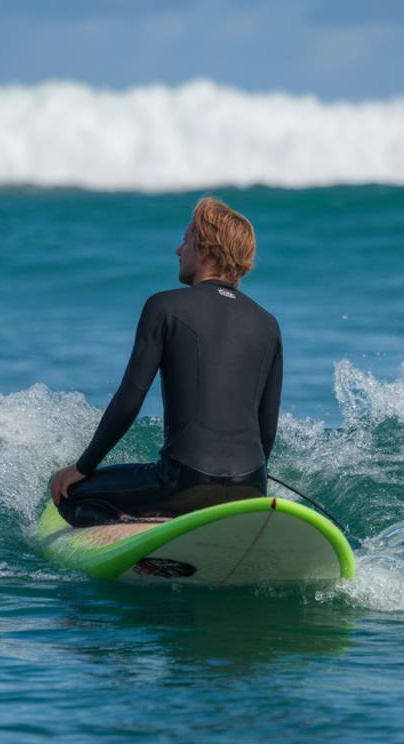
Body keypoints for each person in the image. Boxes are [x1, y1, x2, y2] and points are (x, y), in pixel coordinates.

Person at [48, 197, 283, 527]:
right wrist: (243, 481)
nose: (178, 251)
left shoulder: (165, 307)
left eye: (185, 240)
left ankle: (140, 527)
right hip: (251, 488)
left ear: (204, 249)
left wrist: (82, 467)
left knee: (69, 494)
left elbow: (129, 401)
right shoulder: (268, 324)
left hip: (182, 482)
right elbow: (266, 430)